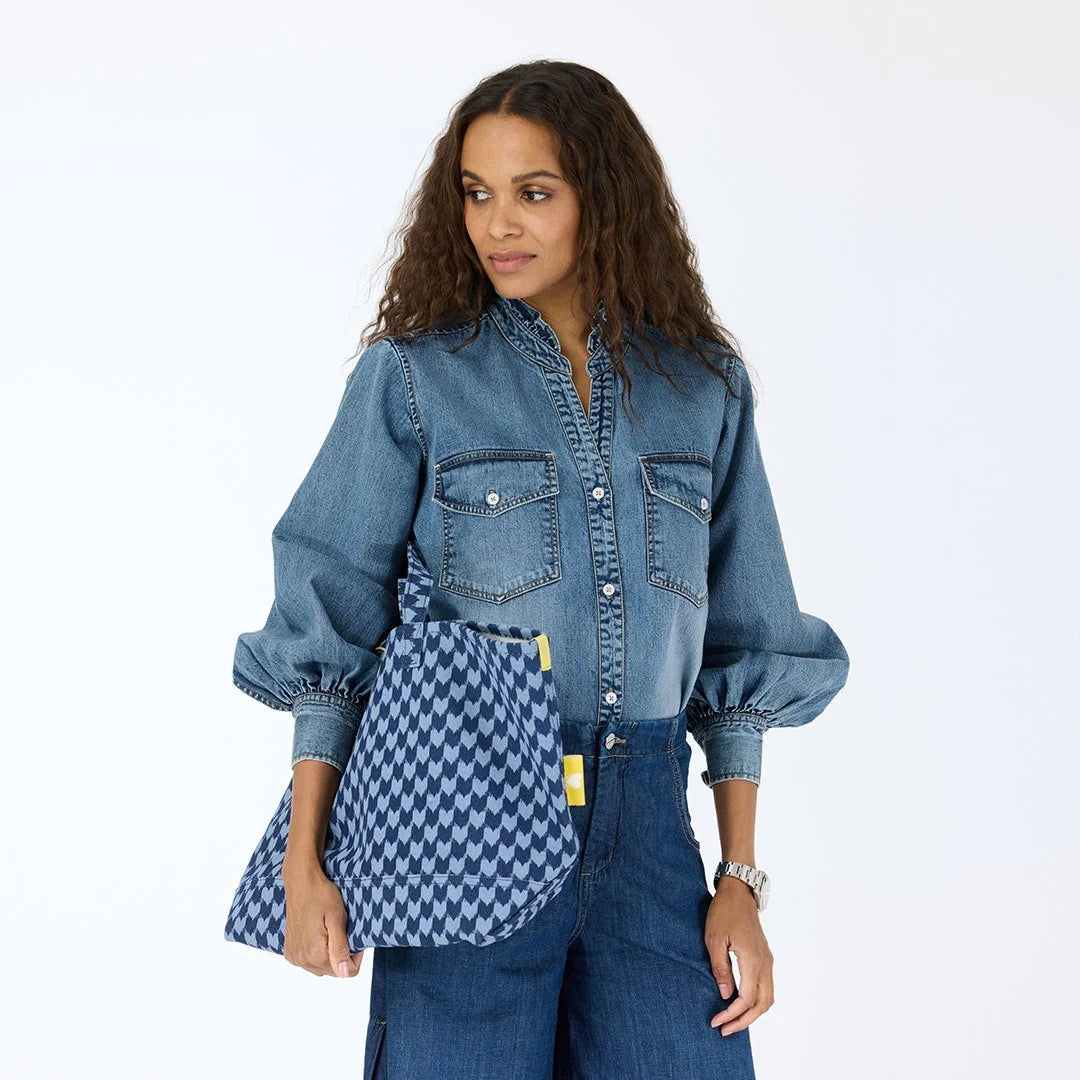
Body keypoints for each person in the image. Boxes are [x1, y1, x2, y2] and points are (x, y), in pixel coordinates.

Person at [231, 59, 850, 1079]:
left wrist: (739, 876)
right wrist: (307, 862)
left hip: (649, 839)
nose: (496, 224)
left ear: (601, 201)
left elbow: (744, 645)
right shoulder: (417, 377)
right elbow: (327, 624)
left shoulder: (701, 388)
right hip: (460, 819)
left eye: (533, 192)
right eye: (475, 193)